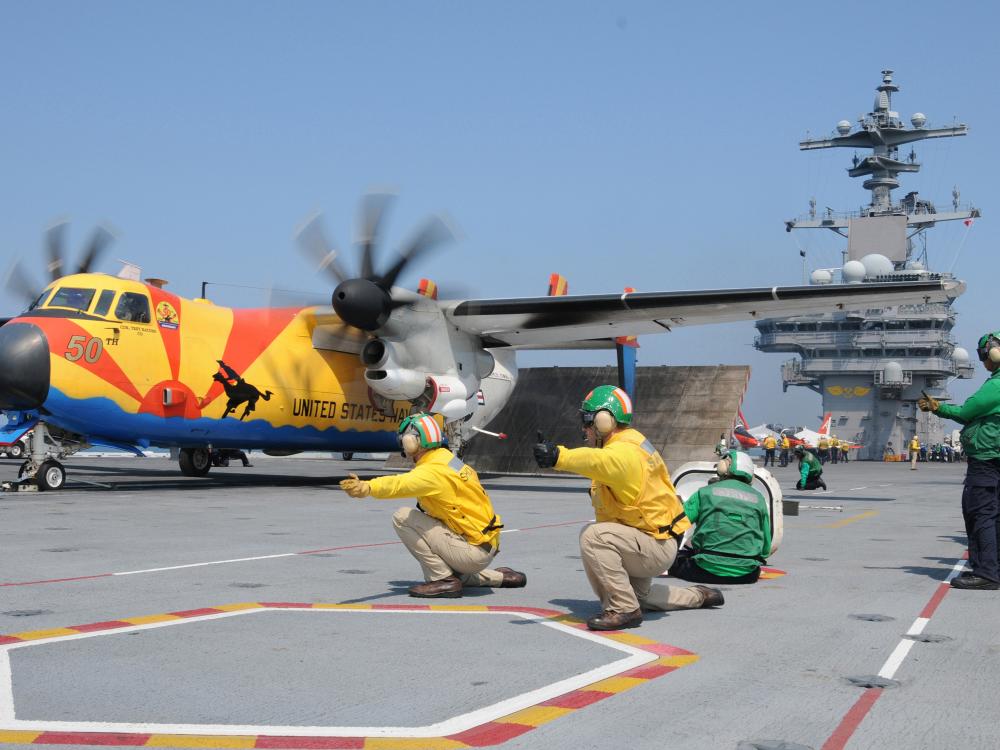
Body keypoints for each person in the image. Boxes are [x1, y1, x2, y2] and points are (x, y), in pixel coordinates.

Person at [533, 385, 723, 631]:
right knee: (640, 597)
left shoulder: (623, 453)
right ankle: (699, 595)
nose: (584, 428)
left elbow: (596, 461)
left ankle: (624, 609)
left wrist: (558, 456)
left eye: (587, 421)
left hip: (654, 543)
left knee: (593, 537)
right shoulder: (629, 443)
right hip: (651, 537)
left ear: (604, 421)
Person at [339, 413, 526, 598]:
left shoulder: (431, 471)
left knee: (403, 517)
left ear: (412, 441)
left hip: (472, 552)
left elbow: (399, 484)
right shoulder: (448, 459)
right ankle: (501, 577)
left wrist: (368, 487)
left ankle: (443, 580)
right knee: (439, 538)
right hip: (484, 544)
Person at [919, 330, 1000, 591]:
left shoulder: (997, 384)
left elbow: (966, 413)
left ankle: (987, 573)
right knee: (994, 515)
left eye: (983, 354)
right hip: (994, 460)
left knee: (981, 514)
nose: (983, 359)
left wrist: (938, 407)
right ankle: (991, 566)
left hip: (986, 459)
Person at [669, 450, 771, 585]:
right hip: (747, 575)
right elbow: (765, 550)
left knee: (676, 561)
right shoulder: (759, 499)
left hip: (704, 570)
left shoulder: (704, 493)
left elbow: (677, 525)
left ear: (723, 467)